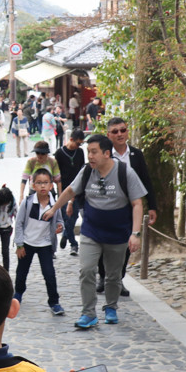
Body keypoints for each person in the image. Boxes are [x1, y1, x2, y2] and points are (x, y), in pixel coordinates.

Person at [42, 134, 146, 329]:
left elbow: (137, 203)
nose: (90, 156)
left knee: (113, 275)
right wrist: (54, 209)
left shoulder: (125, 172)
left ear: (107, 154)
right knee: (87, 270)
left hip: (118, 233)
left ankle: (111, 306)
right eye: (88, 152)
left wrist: (135, 233)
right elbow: (70, 190)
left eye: (94, 152)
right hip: (91, 230)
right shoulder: (87, 171)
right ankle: (88, 313)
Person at [95, 117, 157, 294]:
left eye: (123, 130)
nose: (120, 134)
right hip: (106, 206)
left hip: (130, 208)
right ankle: (103, 276)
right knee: (103, 243)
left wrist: (152, 205)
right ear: (108, 135)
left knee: (125, 245)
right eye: (115, 131)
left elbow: (146, 180)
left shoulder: (136, 155)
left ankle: (118, 279)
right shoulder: (104, 154)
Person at [13, 169, 65, 315]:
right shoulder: (28, 202)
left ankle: (54, 302)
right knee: (22, 271)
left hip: (45, 244)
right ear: (33, 185)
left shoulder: (54, 204)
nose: (43, 186)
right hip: (27, 243)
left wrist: (60, 227)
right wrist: (19, 244)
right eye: (39, 183)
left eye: (46, 183)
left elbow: (59, 220)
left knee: (49, 273)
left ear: (51, 186)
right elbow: (19, 223)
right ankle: (17, 294)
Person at [54, 129, 86, 256]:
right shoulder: (59, 153)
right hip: (64, 190)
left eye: (80, 144)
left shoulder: (80, 152)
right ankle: (74, 244)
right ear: (71, 139)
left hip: (77, 190)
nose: (79, 146)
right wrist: (60, 193)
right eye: (77, 143)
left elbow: (82, 170)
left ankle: (67, 235)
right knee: (66, 217)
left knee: (73, 217)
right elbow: (57, 175)